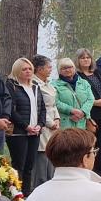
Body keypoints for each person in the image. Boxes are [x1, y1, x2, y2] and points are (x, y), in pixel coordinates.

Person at [72, 50, 101, 177]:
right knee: (90, 145)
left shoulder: (97, 72)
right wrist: (95, 102)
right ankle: (89, 175)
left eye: (88, 57)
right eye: (82, 58)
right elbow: (77, 97)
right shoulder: (77, 76)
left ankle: (100, 175)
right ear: (77, 61)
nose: (86, 60)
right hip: (90, 115)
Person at [7, 57, 45, 192]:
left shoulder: (35, 86)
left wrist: (40, 124)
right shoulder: (12, 86)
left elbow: (42, 108)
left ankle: (27, 194)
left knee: (29, 166)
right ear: (17, 71)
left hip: (35, 132)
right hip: (19, 132)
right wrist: (26, 126)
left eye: (30, 69)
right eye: (24, 69)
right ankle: (16, 195)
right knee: (19, 166)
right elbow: (11, 110)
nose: (28, 71)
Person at [32, 54, 62, 186]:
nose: (50, 69)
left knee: (52, 152)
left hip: (53, 121)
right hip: (43, 123)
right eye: (48, 67)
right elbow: (40, 106)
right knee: (42, 154)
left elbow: (53, 104)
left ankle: (52, 181)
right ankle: (41, 183)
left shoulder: (48, 84)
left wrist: (57, 118)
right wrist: (50, 122)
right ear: (39, 69)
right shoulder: (34, 84)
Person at [55, 56, 95, 130]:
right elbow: (56, 102)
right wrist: (71, 110)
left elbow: (90, 99)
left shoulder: (83, 83)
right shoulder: (54, 85)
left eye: (70, 67)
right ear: (59, 71)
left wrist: (82, 112)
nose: (67, 70)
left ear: (74, 68)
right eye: (64, 68)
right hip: (65, 124)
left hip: (82, 124)